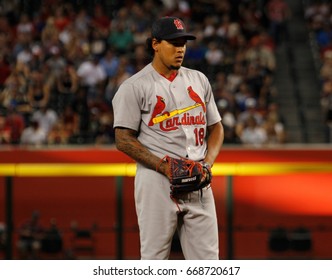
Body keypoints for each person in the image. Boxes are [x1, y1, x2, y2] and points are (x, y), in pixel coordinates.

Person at [112, 16, 224, 260]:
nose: (180, 48)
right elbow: (122, 138)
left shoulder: (199, 79)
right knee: (154, 260)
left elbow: (216, 127)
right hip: (156, 181)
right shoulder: (134, 86)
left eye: (183, 42)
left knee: (208, 263)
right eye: (173, 42)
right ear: (155, 44)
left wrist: (207, 163)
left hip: (198, 177)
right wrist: (163, 166)